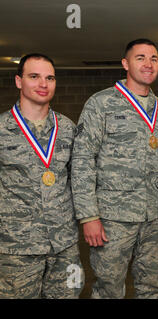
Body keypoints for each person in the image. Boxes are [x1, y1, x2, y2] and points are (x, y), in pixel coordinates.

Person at [71, 39, 158, 299]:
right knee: (109, 289)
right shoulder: (101, 103)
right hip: (113, 218)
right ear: (125, 64)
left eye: (154, 58)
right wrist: (89, 216)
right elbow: (82, 159)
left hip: (154, 219)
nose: (148, 64)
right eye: (140, 58)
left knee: (152, 287)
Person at [0, 53, 84, 298]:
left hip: (64, 243)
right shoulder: (2, 129)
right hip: (16, 247)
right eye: (34, 76)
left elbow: (79, 178)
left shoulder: (67, 128)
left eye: (50, 78)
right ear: (19, 81)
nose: (43, 84)